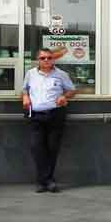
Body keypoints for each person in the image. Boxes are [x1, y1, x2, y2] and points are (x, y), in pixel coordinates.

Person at [22, 48, 77, 193]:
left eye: (49, 58)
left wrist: (64, 96)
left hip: (55, 115)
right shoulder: (30, 74)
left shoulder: (61, 74)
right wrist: (25, 97)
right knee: (37, 149)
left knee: (52, 149)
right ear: (38, 60)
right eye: (42, 58)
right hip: (35, 116)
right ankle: (43, 181)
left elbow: (72, 90)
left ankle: (47, 181)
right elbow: (24, 89)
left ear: (53, 59)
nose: (46, 60)